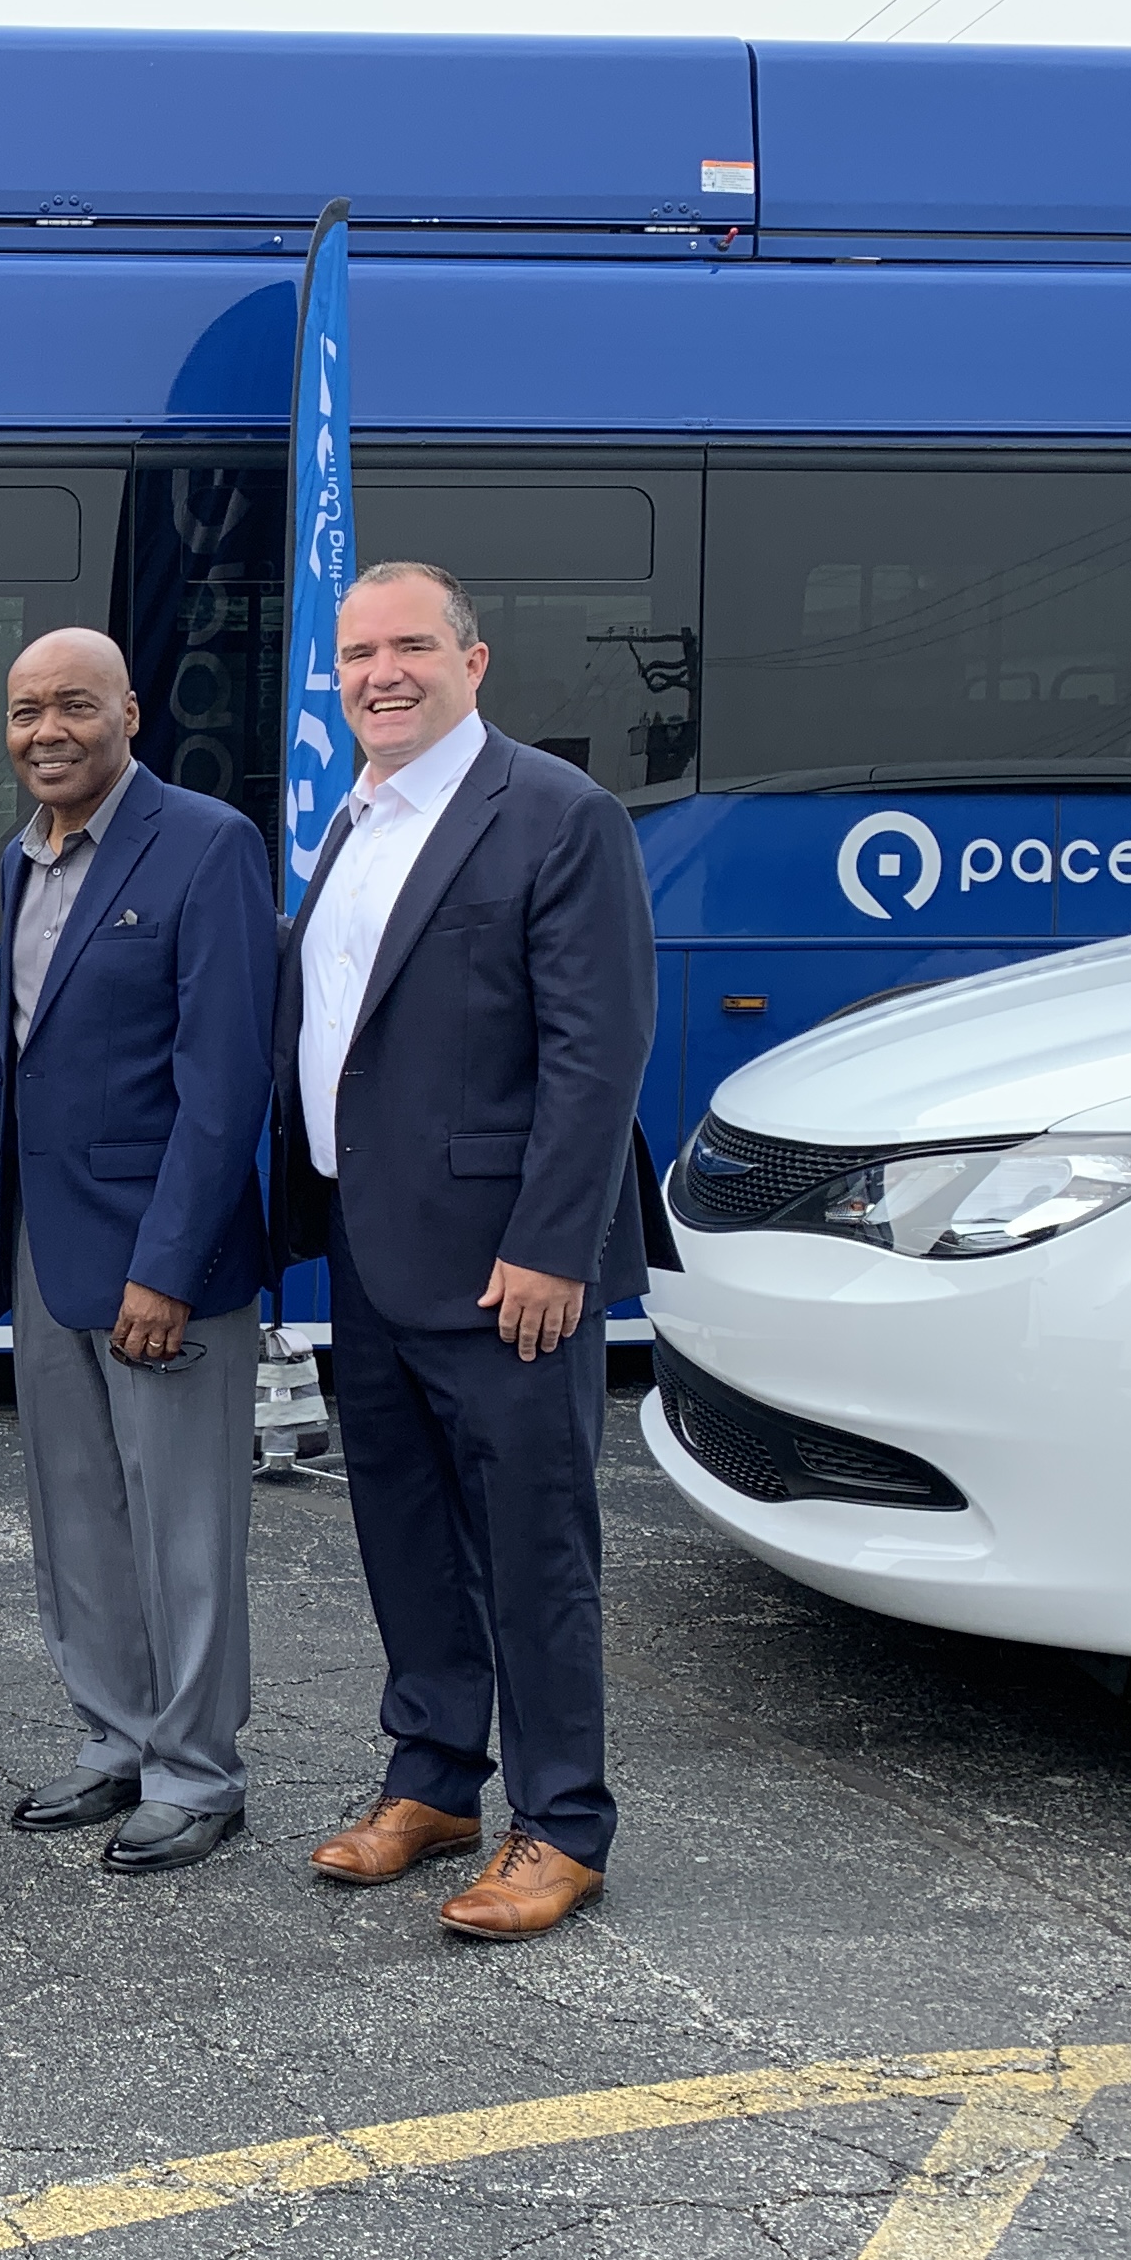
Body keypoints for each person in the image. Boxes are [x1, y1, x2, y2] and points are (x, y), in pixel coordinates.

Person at [279, 562, 656, 1941]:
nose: (381, 673)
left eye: (411, 648)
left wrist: (555, 1245)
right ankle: (433, 1779)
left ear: (473, 662)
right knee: (408, 1536)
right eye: (358, 653)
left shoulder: (557, 815)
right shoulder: (358, 819)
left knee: (534, 1549)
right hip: (376, 1260)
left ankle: (562, 1823)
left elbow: (596, 1048)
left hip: (510, 1274)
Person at [0, 629, 278, 1876]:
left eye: (72, 707)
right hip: (50, 1257)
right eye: (23, 712)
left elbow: (223, 1089)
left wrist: (165, 1268)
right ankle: (113, 1741)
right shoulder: (19, 859)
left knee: (184, 1528)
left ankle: (198, 1771)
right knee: (78, 1520)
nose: (46, 731)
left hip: (166, 1264)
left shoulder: (207, 844)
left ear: (130, 713)